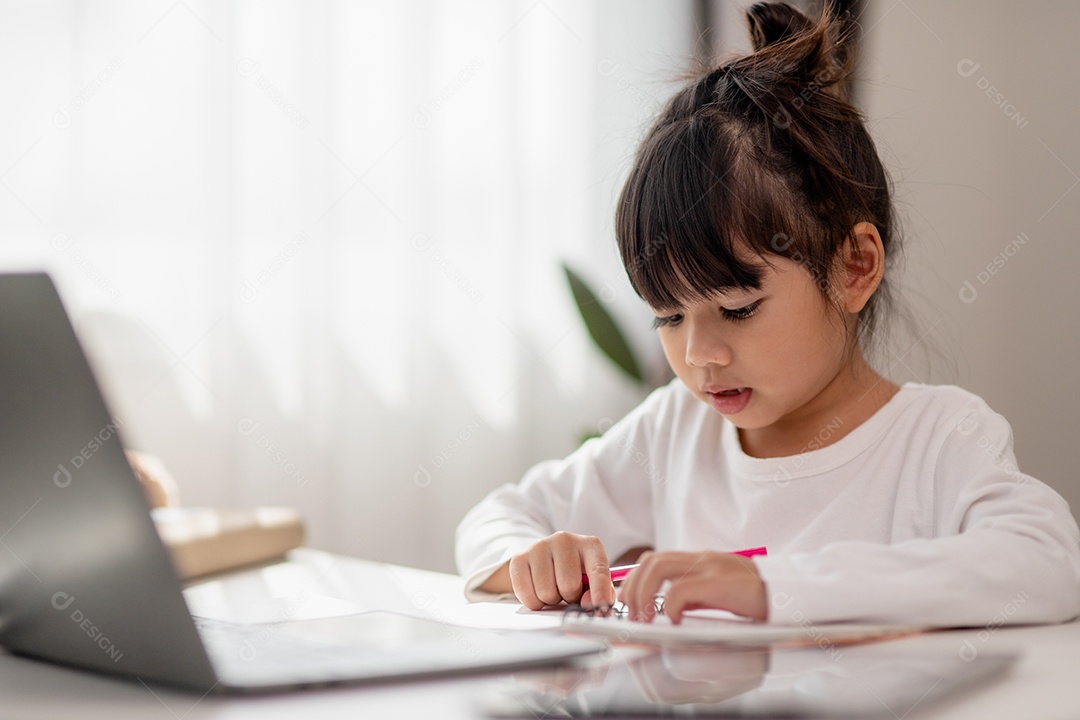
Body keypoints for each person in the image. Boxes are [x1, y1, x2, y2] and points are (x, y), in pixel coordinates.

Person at [454, 2, 1080, 627]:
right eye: (668, 317)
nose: (698, 354)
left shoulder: (937, 439)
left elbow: (1047, 563)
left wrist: (777, 587)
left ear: (854, 267)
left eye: (738, 308)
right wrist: (533, 560)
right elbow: (495, 519)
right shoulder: (674, 433)